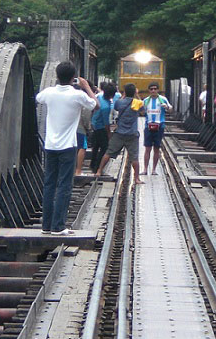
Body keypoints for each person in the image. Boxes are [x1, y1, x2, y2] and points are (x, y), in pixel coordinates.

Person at [35, 62, 97, 234]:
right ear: (73, 77)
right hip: (68, 146)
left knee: (49, 184)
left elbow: (38, 98)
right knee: (64, 185)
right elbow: (96, 105)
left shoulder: (49, 93)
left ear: (57, 75)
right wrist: (86, 87)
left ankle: (46, 226)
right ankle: (58, 226)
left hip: (50, 145)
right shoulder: (77, 95)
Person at [95, 83, 144, 184]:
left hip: (119, 133)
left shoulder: (119, 102)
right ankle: (137, 178)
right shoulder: (137, 103)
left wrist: (124, 95)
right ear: (134, 92)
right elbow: (143, 111)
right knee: (134, 157)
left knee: (108, 152)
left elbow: (117, 107)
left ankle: (99, 171)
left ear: (124, 92)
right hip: (132, 134)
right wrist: (136, 95)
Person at [142, 82, 172, 174]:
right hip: (148, 126)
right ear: (149, 90)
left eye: (155, 89)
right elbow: (142, 111)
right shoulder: (146, 100)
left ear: (158, 90)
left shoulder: (163, 99)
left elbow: (170, 109)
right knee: (147, 148)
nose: (153, 91)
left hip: (159, 126)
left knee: (156, 148)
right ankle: (145, 169)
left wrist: (166, 107)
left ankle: (154, 169)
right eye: (151, 89)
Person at [89, 82, 118, 172]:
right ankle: (97, 167)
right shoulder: (106, 107)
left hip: (94, 124)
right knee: (104, 147)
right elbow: (106, 123)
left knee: (96, 146)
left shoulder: (99, 97)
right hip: (101, 127)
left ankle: (92, 164)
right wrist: (109, 134)